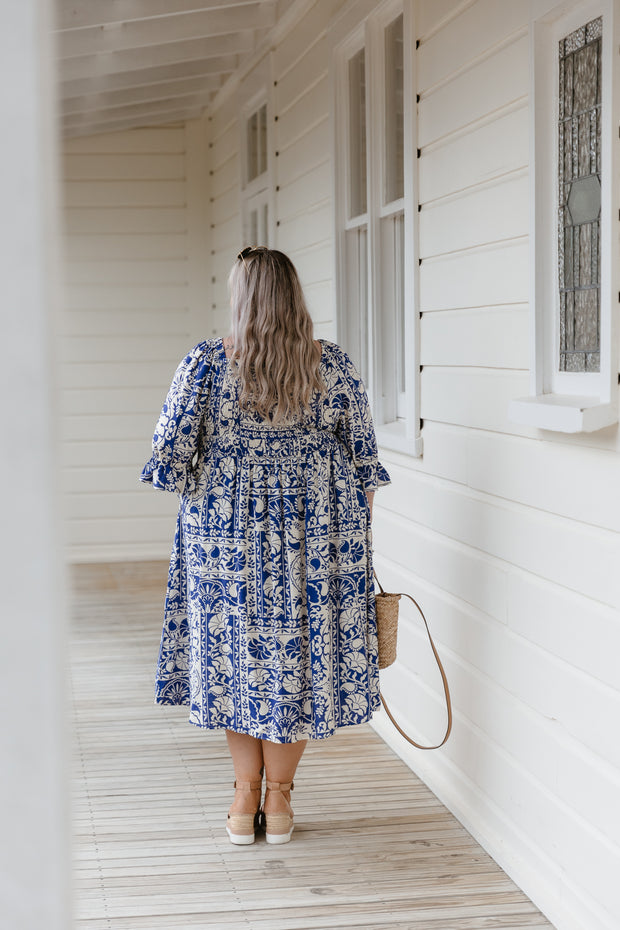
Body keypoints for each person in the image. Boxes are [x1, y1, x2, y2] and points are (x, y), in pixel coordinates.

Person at [140, 246, 390, 845]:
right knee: (295, 665)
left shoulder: (205, 365)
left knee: (236, 661)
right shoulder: (333, 366)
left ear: (241, 298)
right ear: (294, 297)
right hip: (316, 545)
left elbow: (168, 462)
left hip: (224, 543)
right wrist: (352, 551)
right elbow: (364, 468)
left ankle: (242, 794)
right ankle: (278, 803)